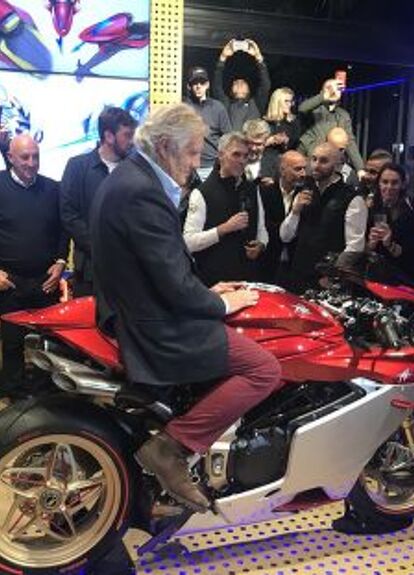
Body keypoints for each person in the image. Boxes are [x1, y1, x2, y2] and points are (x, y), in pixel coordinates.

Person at [90, 103, 283, 512]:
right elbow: (173, 283)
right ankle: (172, 446)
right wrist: (219, 302)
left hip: (141, 305)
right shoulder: (141, 190)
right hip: (154, 322)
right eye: (192, 152)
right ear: (165, 146)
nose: (196, 163)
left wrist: (205, 290)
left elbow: (159, 264)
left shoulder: (128, 177)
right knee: (265, 369)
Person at [0, 134, 69, 397]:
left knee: (47, 342)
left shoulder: (53, 189)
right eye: (25, 157)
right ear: (10, 157)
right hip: (9, 281)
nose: (32, 163)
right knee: (12, 343)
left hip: (45, 280)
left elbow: (63, 229)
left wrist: (61, 262)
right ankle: (15, 395)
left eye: (36, 156)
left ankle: (44, 396)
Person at [61, 106, 137, 296]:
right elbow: (69, 215)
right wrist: (101, 248)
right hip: (90, 270)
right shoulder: (77, 167)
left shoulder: (135, 170)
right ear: (109, 136)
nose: (132, 141)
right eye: (127, 135)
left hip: (130, 272)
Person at [183, 131, 268, 286]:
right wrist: (224, 229)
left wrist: (261, 245)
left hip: (247, 278)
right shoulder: (202, 192)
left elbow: (262, 229)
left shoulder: (252, 189)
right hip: (214, 281)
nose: (242, 161)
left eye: (245, 156)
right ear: (221, 155)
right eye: (236, 155)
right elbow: (189, 242)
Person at [280, 142, 367, 292]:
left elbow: (355, 246)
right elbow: (285, 237)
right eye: (314, 159)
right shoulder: (303, 190)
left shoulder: (351, 197)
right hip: (297, 275)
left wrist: (333, 274)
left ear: (338, 164)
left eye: (323, 161)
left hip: (327, 281)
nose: (316, 165)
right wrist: (295, 211)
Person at [260, 150, 309, 285]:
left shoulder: (307, 195)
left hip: (296, 264)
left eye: (304, 168)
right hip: (268, 261)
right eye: (298, 169)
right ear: (282, 170)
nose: (303, 174)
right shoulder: (264, 193)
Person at [298, 77, 365, 177]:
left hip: (332, 164)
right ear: (322, 92)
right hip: (309, 162)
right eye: (329, 88)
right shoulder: (314, 111)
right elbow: (302, 109)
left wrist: (360, 168)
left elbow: (349, 142)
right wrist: (324, 97)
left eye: (337, 89)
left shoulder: (343, 115)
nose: (333, 91)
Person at [367, 163, 414, 283]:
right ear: (379, 183)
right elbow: (362, 251)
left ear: (402, 184)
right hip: (375, 273)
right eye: (385, 182)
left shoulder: (408, 212)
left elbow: (408, 254)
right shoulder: (371, 209)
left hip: (402, 275)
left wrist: (389, 244)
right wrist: (371, 244)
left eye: (394, 183)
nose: (389, 187)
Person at [185, 66, 231, 181]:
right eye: (195, 83)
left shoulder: (218, 107)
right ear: (189, 86)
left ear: (207, 85)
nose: (198, 86)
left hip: (212, 167)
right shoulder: (183, 108)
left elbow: (228, 138)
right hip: (188, 166)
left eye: (202, 82)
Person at [213, 38, 271, 131]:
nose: (239, 84)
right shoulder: (226, 104)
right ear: (231, 89)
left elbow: (265, 84)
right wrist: (222, 58)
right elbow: (217, 85)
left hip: (251, 140)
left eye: (243, 83)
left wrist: (258, 57)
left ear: (249, 89)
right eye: (236, 83)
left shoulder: (256, 103)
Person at [261, 87, 301, 180]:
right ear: (277, 102)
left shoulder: (294, 122)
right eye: (286, 101)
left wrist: (287, 141)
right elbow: (255, 146)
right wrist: (269, 141)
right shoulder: (265, 122)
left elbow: (296, 144)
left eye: (291, 101)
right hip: (267, 163)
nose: (290, 105)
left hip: (287, 163)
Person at [242, 118, 271, 182]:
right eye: (250, 143)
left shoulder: (275, 164)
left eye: (258, 144)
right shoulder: (233, 161)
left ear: (265, 142)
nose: (253, 148)